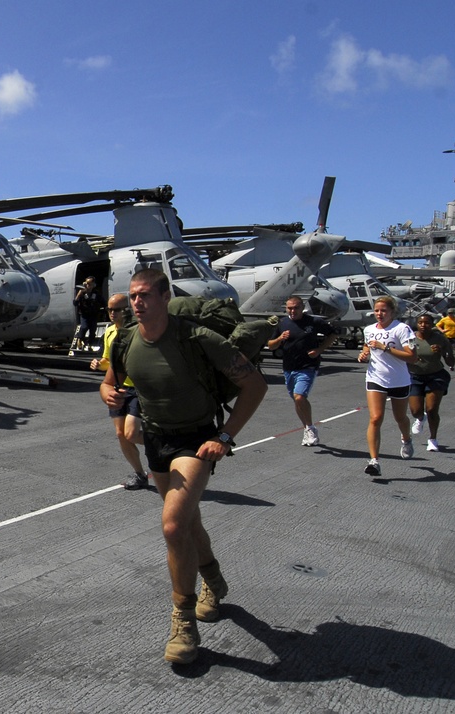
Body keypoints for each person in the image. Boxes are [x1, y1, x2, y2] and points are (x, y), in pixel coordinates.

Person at [100, 268, 267, 665]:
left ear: (163, 296)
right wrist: (108, 392)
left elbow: (255, 385)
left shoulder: (196, 338)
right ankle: (213, 579)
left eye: (144, 296)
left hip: (196, 440)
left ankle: (182, 619)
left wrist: (224, 437)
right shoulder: (126, 341)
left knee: (173, 524)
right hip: (157, 438)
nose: (136, 303)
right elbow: (110, 382)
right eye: (132, 296)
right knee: (188, 523)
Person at [90, 293, 149, 490]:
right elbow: (110, 362)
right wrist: (99, 364)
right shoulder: (109, 333)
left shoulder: (138, 331)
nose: (112, 313)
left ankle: (163, 444)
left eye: (117, 309)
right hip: (119, 388)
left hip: (138, 387)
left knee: (131, 433)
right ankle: (140, 474)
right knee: (121, 434)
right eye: (110, 309)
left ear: (128, 310)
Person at [356, 296, 418, 476]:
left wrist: (386, 348)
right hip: (376, 378)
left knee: (401, 418)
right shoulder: (369, 329)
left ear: (392, 312)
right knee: (375, 418)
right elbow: (367, 346)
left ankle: (406, 438)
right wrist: (364, 354)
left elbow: (412, 357)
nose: (379, 314)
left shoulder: (403, 329)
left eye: (383, 310)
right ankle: (374, 461)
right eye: (376, 310)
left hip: (399, 380)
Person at [266, 296, 337, 446]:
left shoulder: (313, 322)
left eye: (296, 308)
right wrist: (280, 338)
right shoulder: (283, 323)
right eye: (289, 308)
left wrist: (319, 350)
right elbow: (271, 345)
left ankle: (310, 428)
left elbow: (333, 334)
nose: (292, 311)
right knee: (297, 400)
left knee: (299, 397)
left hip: (308, 367)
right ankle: (307, 428)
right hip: (289, 367)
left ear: (302, 308)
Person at [409, 313, 455, 452]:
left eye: (427, 323)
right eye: (420, 322)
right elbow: (405, 355)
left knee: (431, 409)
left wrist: (442, 352)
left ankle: (433, 439)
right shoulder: (411, 338)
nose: (423, 325)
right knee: (416, 410)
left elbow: (451, 361)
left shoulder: (440, 339)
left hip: (435, 376)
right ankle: (420, 418)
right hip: (414, 377)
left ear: (432, 324)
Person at [72, 276, 102, 352]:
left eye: (90, 284)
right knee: (84, 327)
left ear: (93, 285)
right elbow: (75, 303)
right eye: (87, 284)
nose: (88, 286)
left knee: (93, 331)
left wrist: (106, 307)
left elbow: (102, 301)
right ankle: (80, 338)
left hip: (93, 315)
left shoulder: (96, 293)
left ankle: (89, 344)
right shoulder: (82, 293)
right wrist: (78, 295)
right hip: (84, 314)